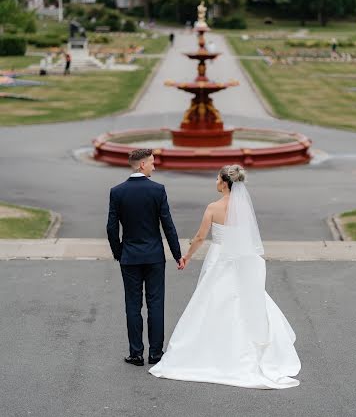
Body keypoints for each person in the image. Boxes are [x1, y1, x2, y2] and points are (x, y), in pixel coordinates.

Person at [149, 165, 301, 389]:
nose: (215, 182)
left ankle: (209, 349)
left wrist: (187, 257)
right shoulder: (243, 209)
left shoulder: (213, 207)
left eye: (217, 179)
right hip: (240, 258)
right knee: (243, 298)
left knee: (212, 301)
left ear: (224, 182)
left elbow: (201, 237)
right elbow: (249, 237)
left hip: (219, 257)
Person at [107, 149, 185, 367]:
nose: (154, 166)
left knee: (132, 305)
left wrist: (118, 252)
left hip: (129, 257)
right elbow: (167, 225)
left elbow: (111, 227)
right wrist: (177, 254)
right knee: (155, 303)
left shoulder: (117, 192)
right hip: (154, 257)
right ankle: (156, 354)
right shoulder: (157, 190)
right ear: (142, 165)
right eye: (151, 162)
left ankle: (136, 354)